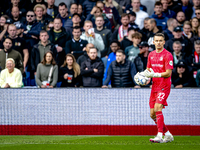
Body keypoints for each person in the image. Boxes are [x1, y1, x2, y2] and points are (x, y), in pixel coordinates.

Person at [142, 33, 174, 143]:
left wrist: (155, 75)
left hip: (164, 86)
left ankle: (159, 135)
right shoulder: (151, 55)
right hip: (155, 86)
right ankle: (168, 134)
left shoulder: (168, 55)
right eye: (157, 40)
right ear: (153, 42)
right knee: (152, 114)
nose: (159, 42)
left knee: (157, 108)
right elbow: (149, 70)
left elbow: (168, 73)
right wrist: (145, 78)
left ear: (164, 42)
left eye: (161, 40)